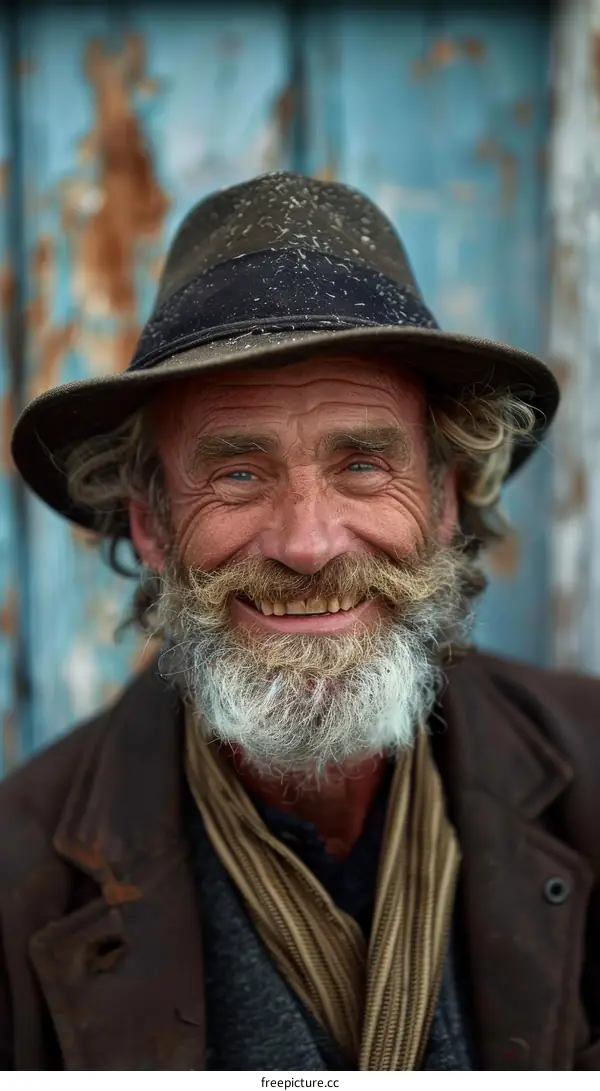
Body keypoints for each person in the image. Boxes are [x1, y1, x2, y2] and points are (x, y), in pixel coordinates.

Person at [1, 172, 599, 1072]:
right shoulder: (17, 879)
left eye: (362, 463)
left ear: (443, 500)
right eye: (238, 474)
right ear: (151, 524)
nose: (309, 544)